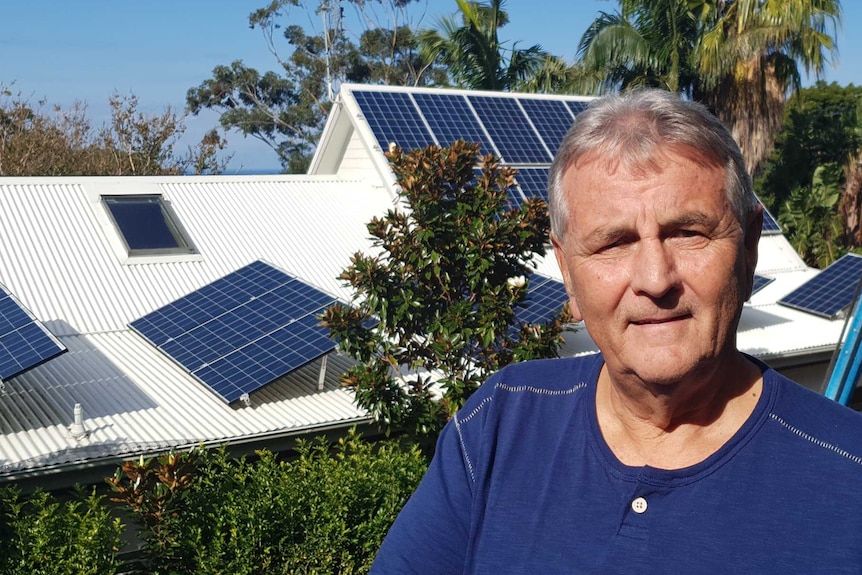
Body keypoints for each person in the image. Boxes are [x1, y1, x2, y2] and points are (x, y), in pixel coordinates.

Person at [371, 89, 862, 573]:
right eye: (613, 244)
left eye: (687, 233)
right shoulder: (500, 424)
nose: (655, 279)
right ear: (566, 270)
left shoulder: (847, 474)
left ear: (750, 246)